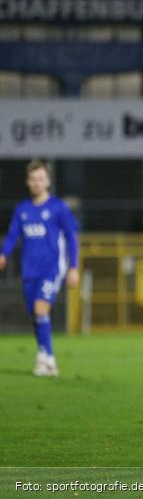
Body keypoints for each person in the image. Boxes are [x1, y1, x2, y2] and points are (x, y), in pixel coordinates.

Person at [0, 161, 79, 377]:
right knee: (36, 316)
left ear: (48, 181)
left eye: (41, 178)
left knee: (40, 309)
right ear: (28, 182)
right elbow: (12, 236)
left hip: (51, 269)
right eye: (33, 179)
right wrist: (3, 254)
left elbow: (72, 237)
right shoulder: (22, 210)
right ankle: (45, 358)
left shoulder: (58, 208)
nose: (37, 183)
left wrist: (73, 267)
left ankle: (48, 358)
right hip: (29, 271)